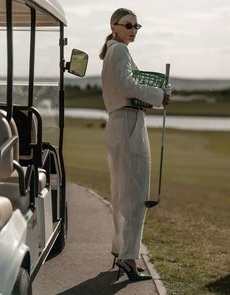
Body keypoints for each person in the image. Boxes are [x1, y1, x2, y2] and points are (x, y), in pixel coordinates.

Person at [99, 8, 171, 282]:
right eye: (128, 25)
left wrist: (149, 98)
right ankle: (129, 259)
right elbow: (127, 83)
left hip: (120, 121)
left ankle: (121, 250)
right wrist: (157, 95)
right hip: (128, 122)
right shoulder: (118, 50)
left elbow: (123, 85)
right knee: (137, 193)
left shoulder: (113, 50)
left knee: (121, 191)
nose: (133, 29)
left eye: (136, 25)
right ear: (114, 26)